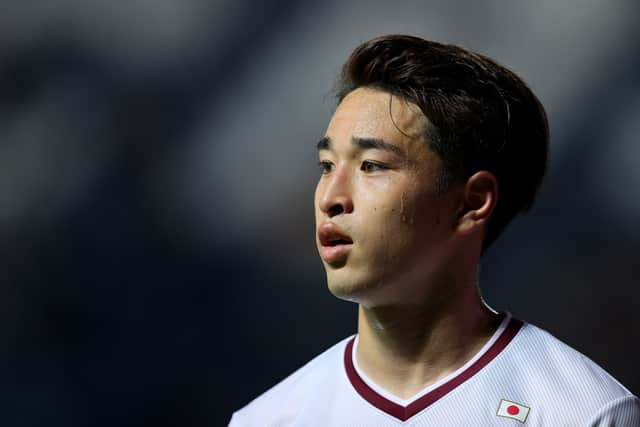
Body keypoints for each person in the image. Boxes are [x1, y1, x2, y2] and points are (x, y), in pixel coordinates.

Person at [228, 35, 640, 426]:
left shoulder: (587, 413)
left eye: (372, 165)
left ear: (473, 201)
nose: (330, 198)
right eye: (327, 165)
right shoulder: (268, 418)